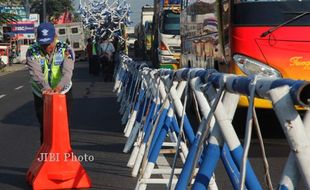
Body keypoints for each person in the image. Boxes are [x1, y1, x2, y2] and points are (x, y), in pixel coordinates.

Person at [26, 22, 75, 144]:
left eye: (49, 43)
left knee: (63, 126)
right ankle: (46, 156)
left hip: (63, 91)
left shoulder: (66, 49)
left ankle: (65, 155)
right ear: (37, 39)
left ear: (55, 37)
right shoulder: (32, 51)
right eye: (43, 44)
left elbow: (67, 73)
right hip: (41, 92)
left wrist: (58, 87)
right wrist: (46, 88)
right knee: (45, 126)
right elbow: (36, 74)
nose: (47, 47)